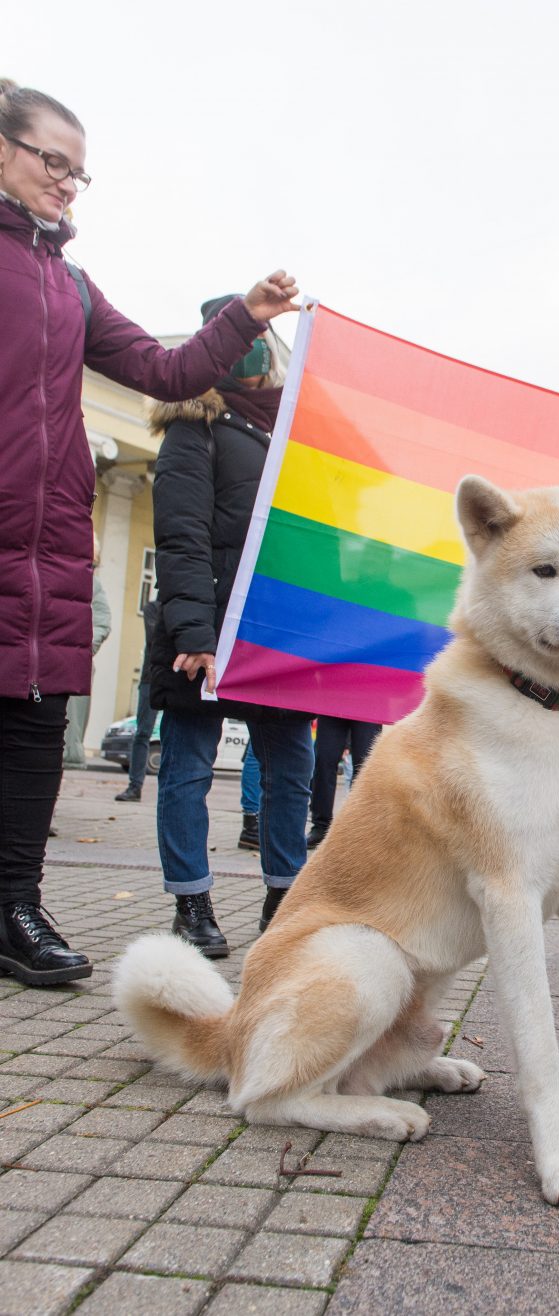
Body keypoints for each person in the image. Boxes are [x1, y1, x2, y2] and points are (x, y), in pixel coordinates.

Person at [0, 78, 300, 986]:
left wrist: (242, 315)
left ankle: (15, 907)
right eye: (54, 161)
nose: (68, 184)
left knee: (35, 726)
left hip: (49, 544)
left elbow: (164, 370)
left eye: (80, 173)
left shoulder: (75, 286)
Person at [150, 295, 315, 956]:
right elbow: (182, 535)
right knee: (188, 766)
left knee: (291, 765)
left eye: (260, 336)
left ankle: (284, 896)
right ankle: (192, 903)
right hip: (209, 630)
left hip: (273, 630)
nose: (253, 352)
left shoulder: (291, 432)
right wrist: (193, 633)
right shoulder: (196, 429)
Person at [63, 538, 111, 768]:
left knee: (65, 739)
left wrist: (81, 650)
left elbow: (102, 622)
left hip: (73, 665)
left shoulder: (93, 585)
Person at [307, 715, 381, 849]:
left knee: (364, 766)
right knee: (324, 760)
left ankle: (359, 827)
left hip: (369, 702)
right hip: (333, 702)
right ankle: (320, 826)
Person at [114, 598, 159, 802]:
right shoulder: (152, 608)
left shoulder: (182, 605)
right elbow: (154, 639)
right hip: (151, 678)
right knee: (143, 733)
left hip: (178, 679)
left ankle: (169, 789)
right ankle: (135, 787)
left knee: (172, 735)